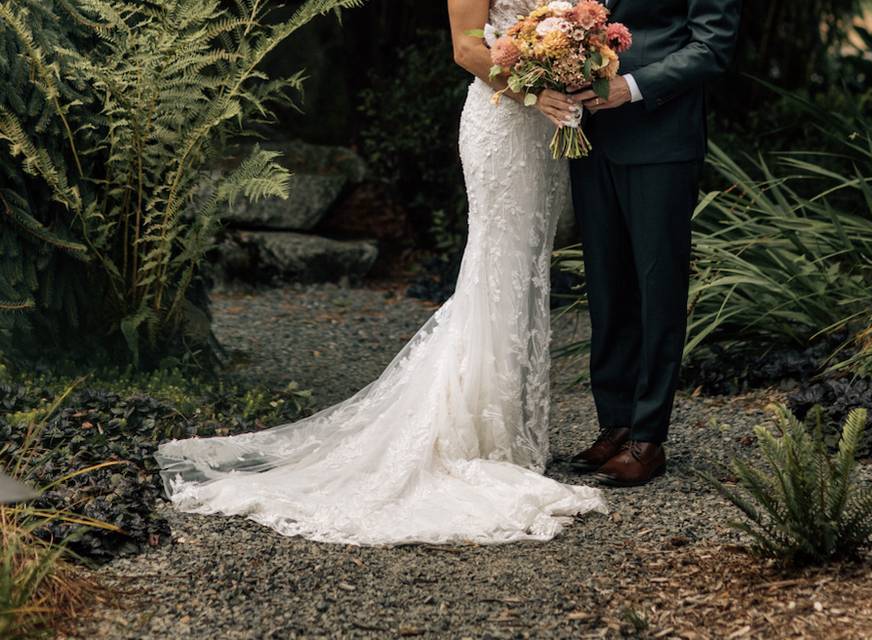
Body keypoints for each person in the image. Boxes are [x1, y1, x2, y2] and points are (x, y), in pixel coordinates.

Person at [154, 0, 608, 546]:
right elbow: (466, 47)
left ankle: (506, 431)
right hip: (503, 123)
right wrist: (535, 92)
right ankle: (473, 435)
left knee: (524, 269)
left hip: (545, 133)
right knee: (497, 267)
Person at [536, 0, 741, 487]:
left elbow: (712, 45)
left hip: (660, 137)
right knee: (606, 287)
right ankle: (616, 423)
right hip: (592, 137)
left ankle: (648, 439)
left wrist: (630, 88)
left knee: (657, 286)